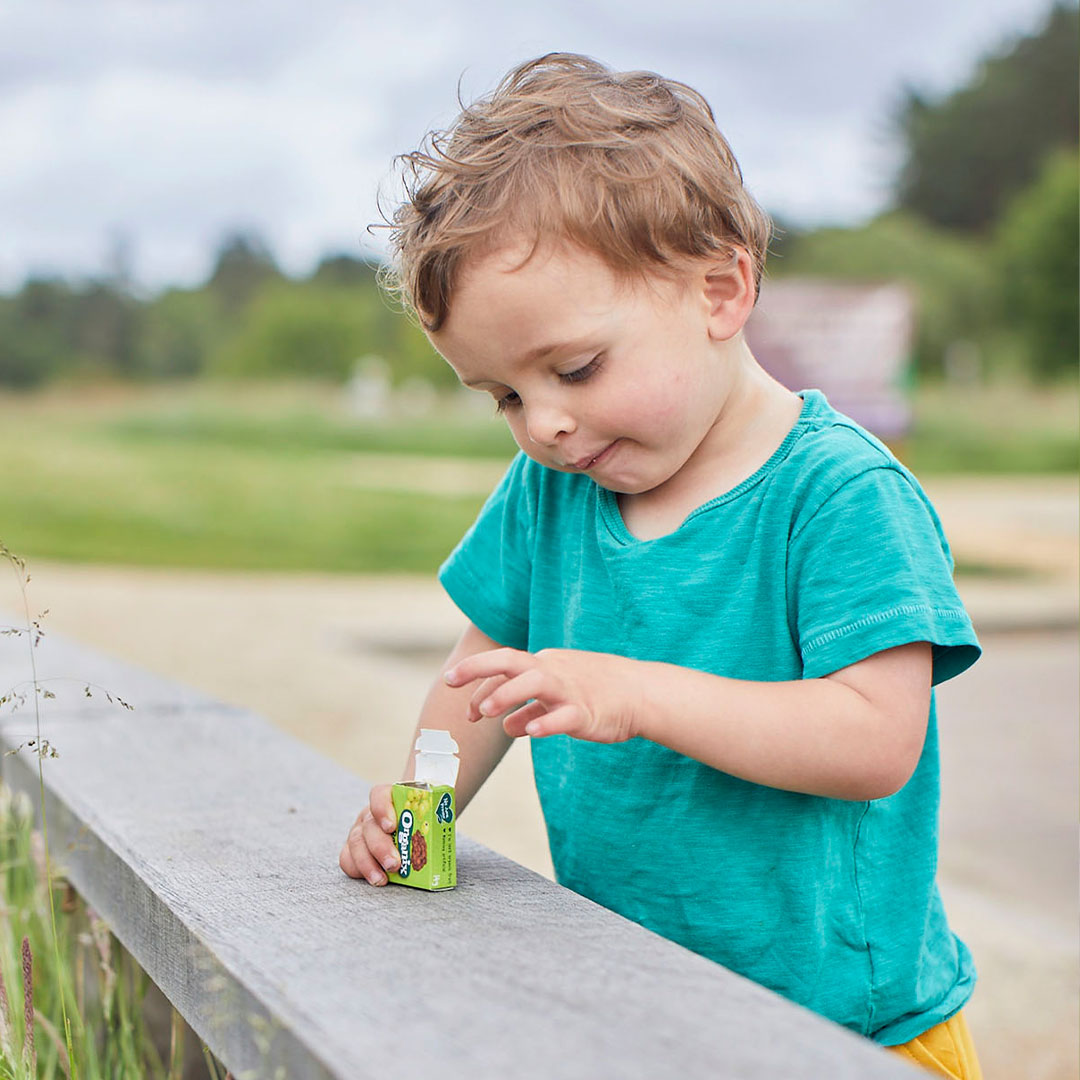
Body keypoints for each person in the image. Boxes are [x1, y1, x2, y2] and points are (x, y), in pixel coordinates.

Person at [339, 53, 983, 1078]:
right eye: (501, 396)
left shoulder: (839, 496)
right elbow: (483, 677)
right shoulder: (552, 491)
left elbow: (876, 740)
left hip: (845, 1030)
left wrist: (633, 694)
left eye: (576, 369)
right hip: (641, 1009)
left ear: (722, 289)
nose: (543, 423)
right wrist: (421, 809)